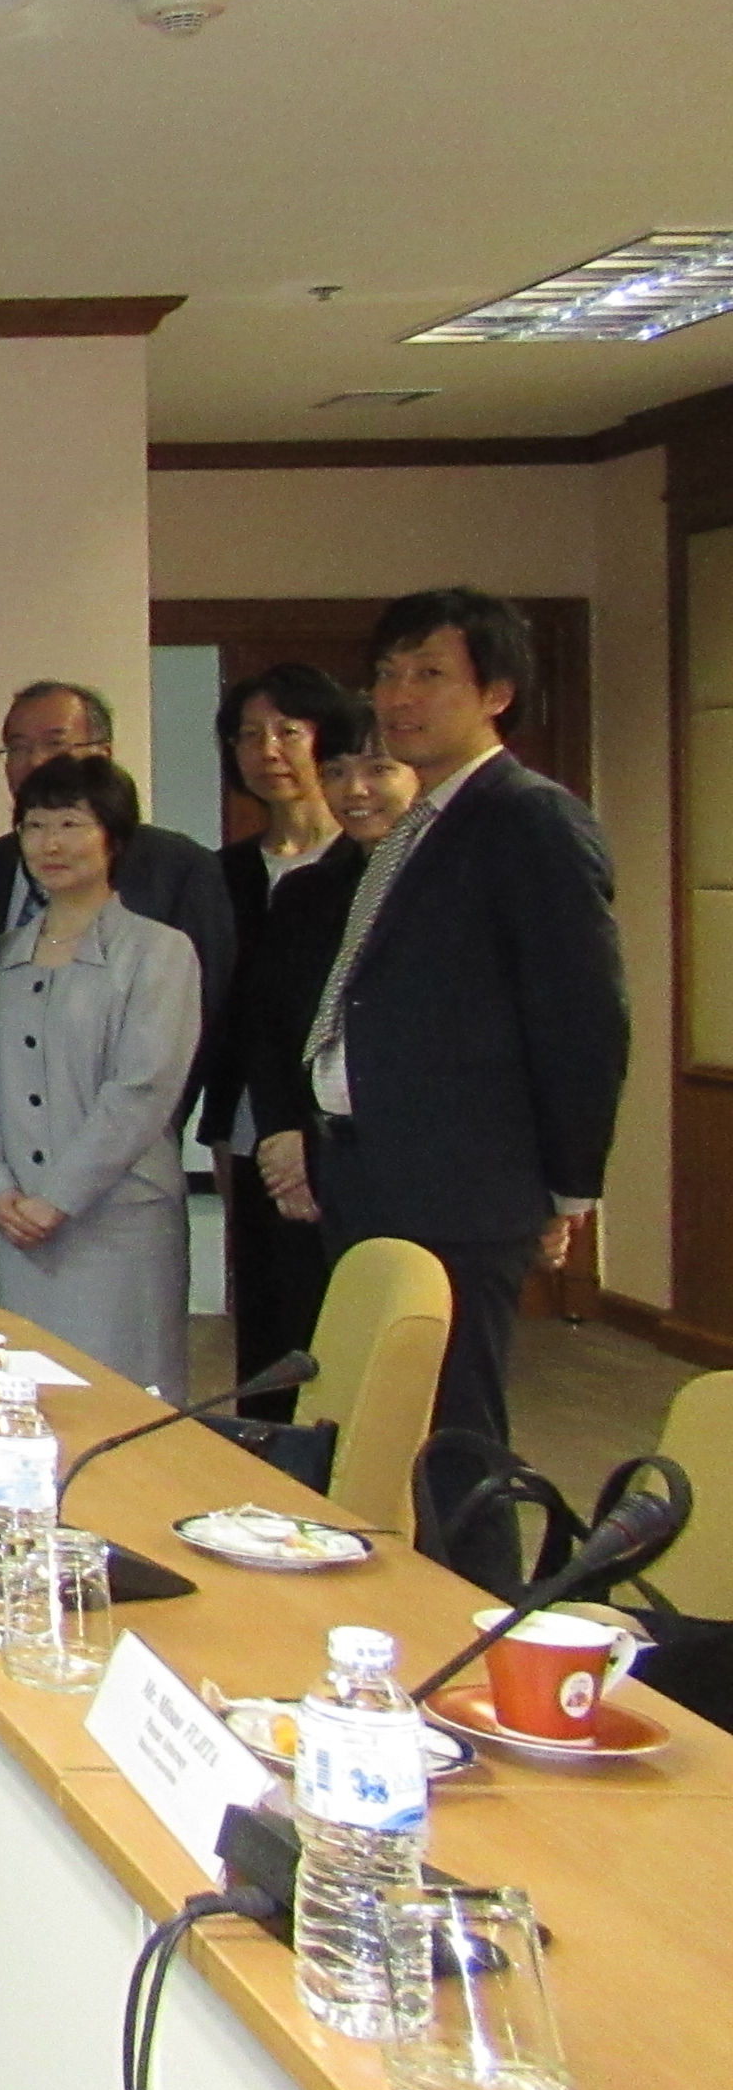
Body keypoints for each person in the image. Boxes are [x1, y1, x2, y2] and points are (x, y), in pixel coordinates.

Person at [287, 589, 628, 1452]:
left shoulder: (528, 817)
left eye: (430, 675)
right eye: (388, 675)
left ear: (496, 694)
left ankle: (474, 1550)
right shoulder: (419, 826)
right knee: (371, 1426)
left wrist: (567, 1183)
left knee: (447, 1431)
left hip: (461, 1178)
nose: (399, 697)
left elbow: (583, 1013)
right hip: (366, 1166)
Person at [0, 755, 201, 1398]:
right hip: (17, 1225)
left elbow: (143, 1089)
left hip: (118, 1221)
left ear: (113, 839)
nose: (51, 844)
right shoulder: (0, 954)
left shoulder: (159, 950)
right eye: (35, 826)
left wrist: (56, 1198)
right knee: (28, 1399)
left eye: (72, 824)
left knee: (123, 1400)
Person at [203, 666, 358, 1392]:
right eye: (247, 735)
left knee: (335, 1310)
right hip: (244, 1119)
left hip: (341, 1125)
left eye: (287, 731)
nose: (267, 750)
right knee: (264, 1311)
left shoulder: (365, 866)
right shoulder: (223, 872)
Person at [244, 710, 414, 1368]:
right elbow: (269, 1026)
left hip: (416, 1159)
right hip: (311, 1156)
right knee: (310, 1349)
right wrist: (284, 1133)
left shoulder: (449, 884)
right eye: (337, 771)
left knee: (406, 1361)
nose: (355, 789)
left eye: (379, 769)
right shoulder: (305, 892)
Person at [0, 679, 238, 1062]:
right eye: (18, 748)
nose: (34, 762)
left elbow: (206, 1013)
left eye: (54, 743)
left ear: (103, 756)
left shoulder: (181, 868)